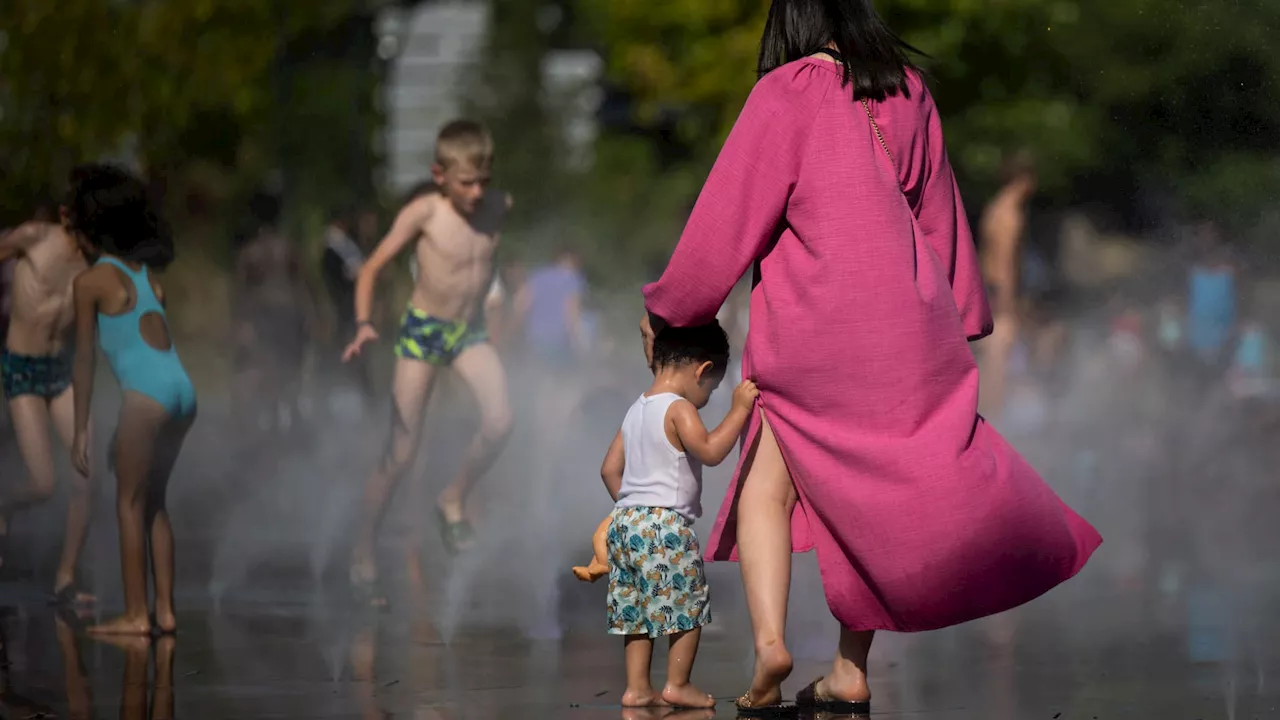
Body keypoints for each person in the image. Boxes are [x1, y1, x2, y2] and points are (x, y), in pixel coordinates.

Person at [638, 2, 1102, 714]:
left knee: (770, 476)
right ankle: (849, 667)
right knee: (876, 490)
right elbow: (939, 214)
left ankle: (770, 645)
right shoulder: (909, 88)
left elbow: (729, 214)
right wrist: (964, 318)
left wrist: (676, 307)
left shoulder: (786, 91)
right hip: (909, 335)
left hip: (813, 329)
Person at [342, 119, 514, 605]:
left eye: (484, 181)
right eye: (466, 183)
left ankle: (452, 497)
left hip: (468, 333)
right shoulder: (425, 212)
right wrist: (363, 324)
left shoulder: (500, 207)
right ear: (439, 174)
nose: (477, 192)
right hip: (423, 332)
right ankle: (363, 550)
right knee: (401, 454)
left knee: (502, 422)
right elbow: (372, 266)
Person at [67, 163, 197, 635]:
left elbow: (85, 362)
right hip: (182, 392)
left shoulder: (91, 283)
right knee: (155, 503)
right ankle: (165, 610)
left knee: (127, 504)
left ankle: (136, 615)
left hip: (146, 398)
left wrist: (81, 427)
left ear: (87, 231)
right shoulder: (147, 278)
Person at [600, 321, 757, 709]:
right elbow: (710, 450)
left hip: (626, 523)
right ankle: (677, 683)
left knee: (636, 608)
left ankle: (637, 688)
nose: (707, 399)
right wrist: (739, 410)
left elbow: (608, 469)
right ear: (701, 370)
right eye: (712, 388)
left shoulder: (636, 409)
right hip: (664, 525)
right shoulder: (679, 408)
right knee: (686, 603)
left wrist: (633, 507)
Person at [0, 207, 96, 605]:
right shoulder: (34, 236)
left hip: (60, 372)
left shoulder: (97, 262)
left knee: (87, 476)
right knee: (43, 483)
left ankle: (66, 577)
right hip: (21, 368)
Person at [232, 191, 316, 437]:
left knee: (268, 369)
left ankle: (275, 422)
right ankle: (285, 420)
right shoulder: (288, 247)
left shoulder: (250, 251)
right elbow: (305, 284)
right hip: (289, 314)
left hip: (266, 315)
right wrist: (314, 315)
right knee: (289, 372)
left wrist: (240, 324)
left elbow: (241, 293)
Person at [977, 150, 1038, 422]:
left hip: (987, 292)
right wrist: (1008, 307)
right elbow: (1004, 264)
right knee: (998, 363)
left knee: (993, 363)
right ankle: (994, 424)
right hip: (998, 295)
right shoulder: (1010, 216)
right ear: (1024, 180)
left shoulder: (993, 209)